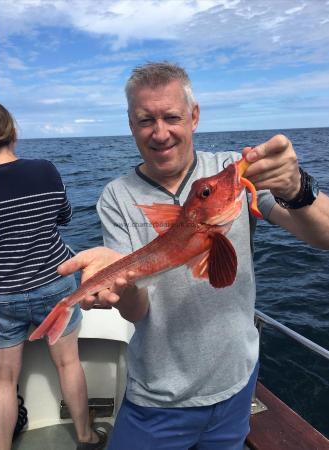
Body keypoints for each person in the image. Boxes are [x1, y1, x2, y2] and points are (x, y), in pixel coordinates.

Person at [57, 62, 329, 450]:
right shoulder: (117, 197)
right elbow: (136, 311)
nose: (160, 132)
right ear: (131, 124)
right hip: (158, 396)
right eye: (146, 119)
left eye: (172, 116)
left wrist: (298, 188)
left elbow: (324, 235)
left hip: (237, 386)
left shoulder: (233, 173)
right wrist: (120, 285)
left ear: (195, 116)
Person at [0, 101, 107, 450]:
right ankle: (86, 436)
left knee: (1, 381)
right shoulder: (44, 169)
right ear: (12, 132)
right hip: (54, 283)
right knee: (68, 363)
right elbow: (66, 215)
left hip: (0, 295)